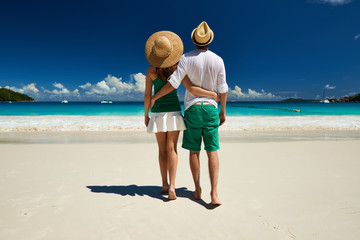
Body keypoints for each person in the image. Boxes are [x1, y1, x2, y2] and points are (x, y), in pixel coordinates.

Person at [150, 22, 228, 205]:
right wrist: (223, 111)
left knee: (194, 151)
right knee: (212, 151)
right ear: (209, 40)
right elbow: (223, 90)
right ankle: (214, 193)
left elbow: (173, 84)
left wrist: (155, 97)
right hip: (210, 108)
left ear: (194, 40)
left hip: (192, 108)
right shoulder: (218, 60)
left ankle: (198, 189)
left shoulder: (185, 58)